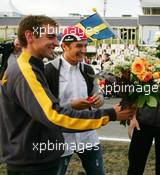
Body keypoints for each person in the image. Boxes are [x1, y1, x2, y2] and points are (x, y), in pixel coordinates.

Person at [0, 15, 135, 175]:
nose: (56, 43)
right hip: (35, 158)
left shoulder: (34, 67)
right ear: (30, 36)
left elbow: (41, 110)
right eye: (51, 37)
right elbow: (53, 115)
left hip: (63, 145)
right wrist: (110, 114)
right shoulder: (31, 70)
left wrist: (98, 99)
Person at [45, 26, 105, 175]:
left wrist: (99, 100)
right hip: (60, 137)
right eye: (79, 46)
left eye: (85, 45)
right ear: (64, 46)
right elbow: (45, 108)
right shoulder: (48, 70)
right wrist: (71, 106)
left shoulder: (88, 70)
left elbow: (98, 94)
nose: (84, 50)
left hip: (87, 135)